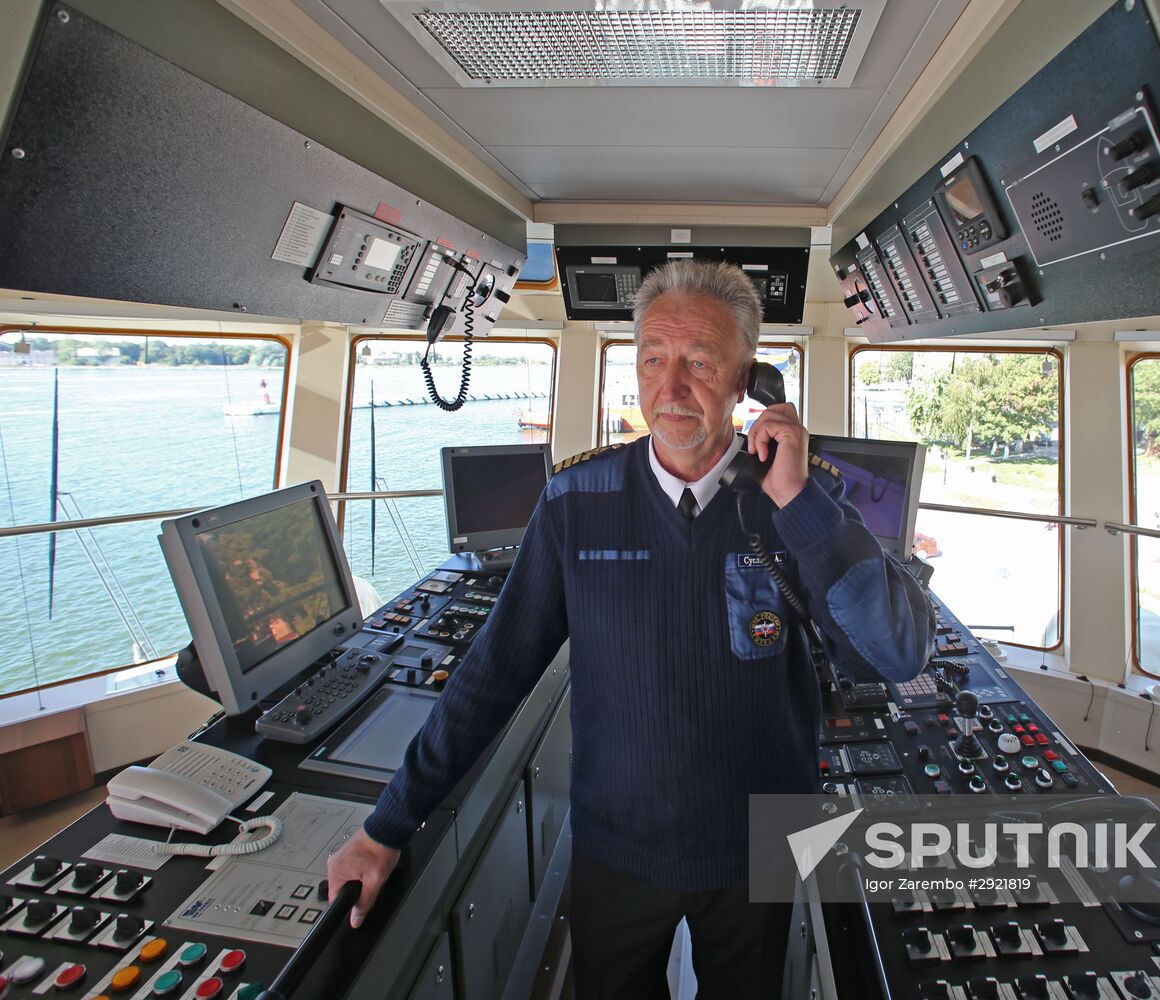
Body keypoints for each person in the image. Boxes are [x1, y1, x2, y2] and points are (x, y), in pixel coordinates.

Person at [327, 259, 934, 999]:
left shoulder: (801, 502)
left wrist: (800, 503)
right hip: (617, 847)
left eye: (700, 363)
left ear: (750, 380)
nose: (670, 389)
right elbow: (493, 671)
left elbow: (895, 653)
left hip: (760, 848)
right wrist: (385, 827)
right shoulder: (575, 500)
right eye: (653, 359)